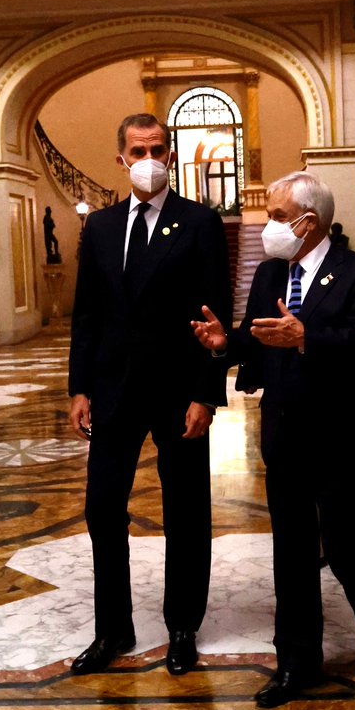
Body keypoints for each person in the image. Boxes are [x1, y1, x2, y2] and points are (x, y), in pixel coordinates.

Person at [191, 171, 355, 709]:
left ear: (310, 221)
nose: (270, 226)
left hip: (340, 435)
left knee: (346, 548)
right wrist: (224, 344)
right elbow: (257, 338)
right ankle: (296, 661)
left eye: (279, 216)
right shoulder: (269, 274)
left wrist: (308, 337)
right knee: (292, 552)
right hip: (284, 434)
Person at [67, 114, 232, 678]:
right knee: (102, 508)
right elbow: (86, 315)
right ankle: (113, 629)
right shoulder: (101, 226)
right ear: (121, 159)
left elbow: (215, 314)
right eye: (138, 151)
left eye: (157, 149)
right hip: (113, 390)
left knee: (185, 509)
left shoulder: (200, 222)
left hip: (178, 390)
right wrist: (79, 387)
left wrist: (206, 395)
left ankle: (182, 626)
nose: (148, 159)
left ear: (170, 155)